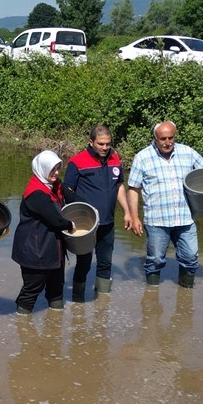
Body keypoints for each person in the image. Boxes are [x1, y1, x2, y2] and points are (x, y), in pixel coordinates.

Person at [126, 121, 203, 289]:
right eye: (163, 139)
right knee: (155, 260)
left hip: (185, 217)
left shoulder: (187, 152)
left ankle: (186, 298)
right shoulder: (142, 157)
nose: (168, 142)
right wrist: (135, 217)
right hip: (157, 219)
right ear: (155, 138)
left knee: (190, 257)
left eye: (171, 138)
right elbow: (133, 189)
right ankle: (151, 299)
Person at [63, 124, 129, 299]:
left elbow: (119, 186)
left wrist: (128, 212)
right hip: (87, 224)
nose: (105, 147)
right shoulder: (77, 162)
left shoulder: (115, 158)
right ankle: (78, 302)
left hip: (108, 222)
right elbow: (67, 191)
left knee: (105, 263)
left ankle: (103, 304)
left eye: (108, 143)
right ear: (91, 142)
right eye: (101, 144)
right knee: (83, 264)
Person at [11, 149, 73, 314]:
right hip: (35, 249)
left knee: (56, 287)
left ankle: (54, 328)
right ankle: (22, 325)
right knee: (32, 288)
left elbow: (74, 199)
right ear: (42, 169)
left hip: (53, 248)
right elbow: (56, 220)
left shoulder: (56, 185)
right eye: (52, 169)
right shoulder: (36, 193)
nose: (56, 173)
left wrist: (90, 210)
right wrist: (72, 224)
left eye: (58, 168)